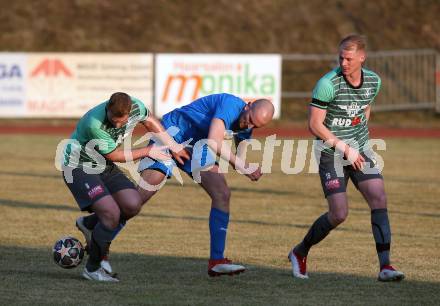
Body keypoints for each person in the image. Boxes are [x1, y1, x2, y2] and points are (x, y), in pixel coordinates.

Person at [287, 35, 404, 282]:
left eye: (349, 58)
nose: (344, 62)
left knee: (378, 196)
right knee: (339, 214)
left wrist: (358, 142)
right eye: (340, 57)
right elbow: (314, 125)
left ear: (362, 57)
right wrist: (343, 147)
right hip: (331, 153)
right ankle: (300, 251)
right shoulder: (327, 84)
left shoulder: (374, 81)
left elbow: (366, 107)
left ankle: (385, 266)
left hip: (359, 150)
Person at [136, 93, 275, 276]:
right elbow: (214, 140)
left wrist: (245, 166)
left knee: (222, 194)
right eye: (250, 120)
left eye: (255, 126)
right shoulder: (230, 104)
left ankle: (216, 261)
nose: (249, 126)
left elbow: (239, 151)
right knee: (138, 199)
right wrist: (241, 165)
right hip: (173, 133)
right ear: (247, 106)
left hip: (197, 146)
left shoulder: (248, 123)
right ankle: (98, 236)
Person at [61, 92, 189, 282]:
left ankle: (89, 225)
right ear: (108, 109)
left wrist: (172, 145)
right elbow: (114, 156)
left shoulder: (136, 106)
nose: (118, 125)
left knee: (132, 204)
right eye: (114, 119)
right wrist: (148, 151)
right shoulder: (94, 123)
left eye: (122, 121)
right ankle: (93, 269)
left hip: (103, 166)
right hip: (79, 166)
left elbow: (150, 121)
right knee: (111, 214)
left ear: (129, 112)